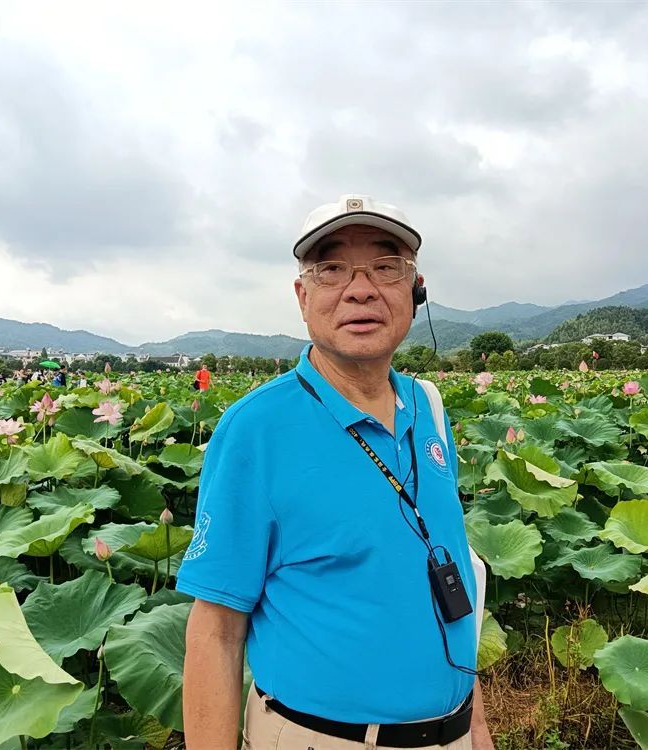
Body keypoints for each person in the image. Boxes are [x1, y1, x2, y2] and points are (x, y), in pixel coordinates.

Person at [177, 195, 491, 750]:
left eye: (386, 267)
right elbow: (216, 634)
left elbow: (452, 583)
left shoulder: (432, 407)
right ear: (303, 296)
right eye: (331, 268)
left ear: (415, 291)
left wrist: (477, 729)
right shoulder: (255, 430)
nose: (361, 288)